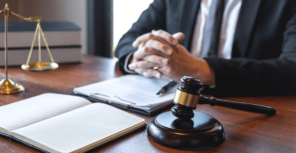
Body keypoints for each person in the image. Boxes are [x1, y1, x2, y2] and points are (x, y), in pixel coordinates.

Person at [115, 0, 296, 97]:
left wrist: (203, 70)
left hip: (246, 109)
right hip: (168, 101)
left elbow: (292, 67)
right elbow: (130, 39)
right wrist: (142, 57)